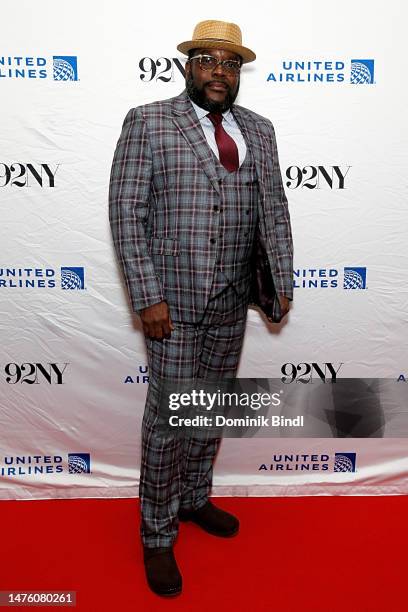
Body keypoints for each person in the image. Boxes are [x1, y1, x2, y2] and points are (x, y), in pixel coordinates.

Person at [109, 19, 294, 597]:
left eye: (231, 63)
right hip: (173, 302)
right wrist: (147, 297)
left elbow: (276, 211)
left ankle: (193, 500)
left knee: (209, 410)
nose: (221, 71)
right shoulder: (148, 121)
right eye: (210, 60)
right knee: (169, 420)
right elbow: (125, 214)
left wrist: (280, 282)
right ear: (189, 65)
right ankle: (157, 533)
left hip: (232, 299)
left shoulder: (258, 131)